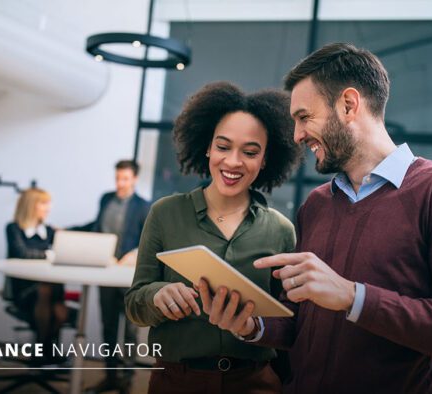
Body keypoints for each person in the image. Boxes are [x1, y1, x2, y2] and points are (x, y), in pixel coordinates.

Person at [198, 43, 432, 393]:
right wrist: (252, 325)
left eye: (304, 117)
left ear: (348, 105)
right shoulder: (315, 205)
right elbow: (299, 322)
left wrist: (352, 296)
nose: (297, 135)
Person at [125, 81, 303, 394]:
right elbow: (135, 303)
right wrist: (156, 296)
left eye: (250, 152)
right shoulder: (165, 214)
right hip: (176, 381)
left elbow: (291, 327)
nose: (233, 162)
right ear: (207, 146)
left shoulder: (280, 230)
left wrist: (253, 328)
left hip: (254, 382)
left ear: (265, 159)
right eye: (223, 147)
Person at [77, 160, 151, 394]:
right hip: (105, 271)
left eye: (125, 179)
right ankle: (110, 376)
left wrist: (135, 253)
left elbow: (148, 239)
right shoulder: (106, 199)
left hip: (130, 275)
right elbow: (96, 226)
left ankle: (127, 380)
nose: (120, 183)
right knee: (108, 326)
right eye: (118, 178)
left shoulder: (143, 206)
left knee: (130, 330)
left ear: (135, 179)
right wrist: (69, 230)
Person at [5, 188, 68, 364]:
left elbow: (62, 253)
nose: (48, 208)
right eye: (44, 203)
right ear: (30, 205)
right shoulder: (14, 228)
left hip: (52, 292)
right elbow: (22, 252)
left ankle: (44, 349)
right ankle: (44, 350)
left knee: (58, 307)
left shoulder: (50, 231)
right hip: (25, 291)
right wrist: (50, 254)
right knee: (45, 289)